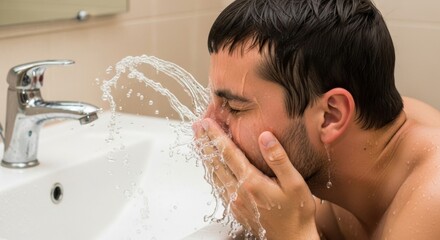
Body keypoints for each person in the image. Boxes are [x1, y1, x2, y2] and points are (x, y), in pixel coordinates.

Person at [192, 0, 440, 239]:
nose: (209, 125)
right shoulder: (357, 149)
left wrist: (294, 235)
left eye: (235, 108)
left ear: (331, 116)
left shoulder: (432, 200)